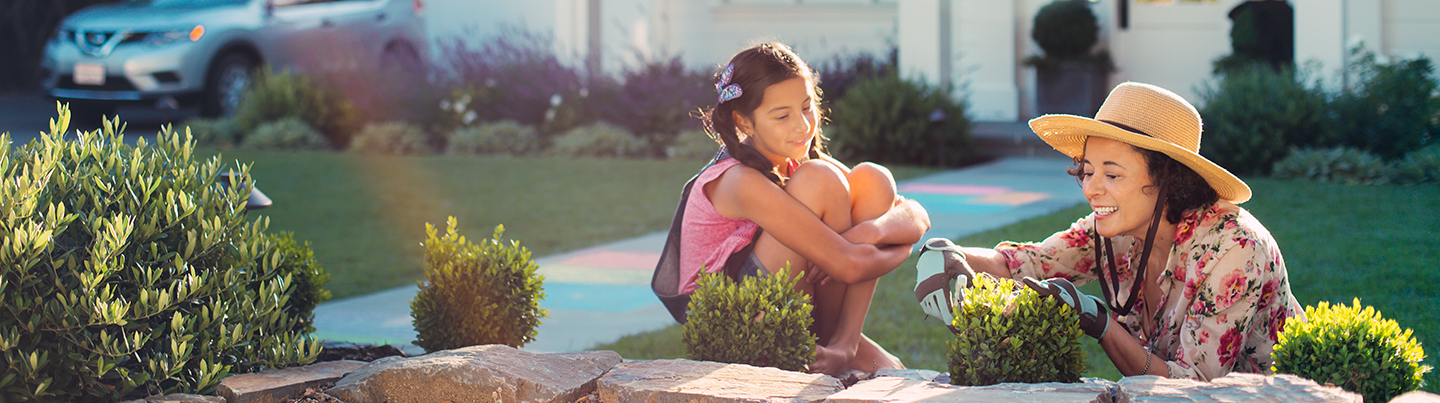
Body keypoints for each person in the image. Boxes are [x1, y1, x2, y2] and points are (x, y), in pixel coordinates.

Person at [915, 82, 1304, 381]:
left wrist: (1100, 324)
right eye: (1087, 170)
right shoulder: (1116, 231)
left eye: (1112, 174)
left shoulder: (1234, 249)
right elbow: (1032, 263)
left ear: (1167, 177)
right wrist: (951, 254)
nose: (1090, 188)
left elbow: (1192, 389)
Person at [679, 42, 932, 376]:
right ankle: (839, 346)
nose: (802, 126)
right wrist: (899, 249)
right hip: (746, 321)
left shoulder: (794, 163)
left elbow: (917, 216)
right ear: (744, 121)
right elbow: (852, 266)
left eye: (807, 106)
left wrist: (872, 232)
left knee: (873, 178)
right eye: (782, 116)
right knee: (822, 180)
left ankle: (844, 343)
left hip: (795, 302)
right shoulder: (739, 180)